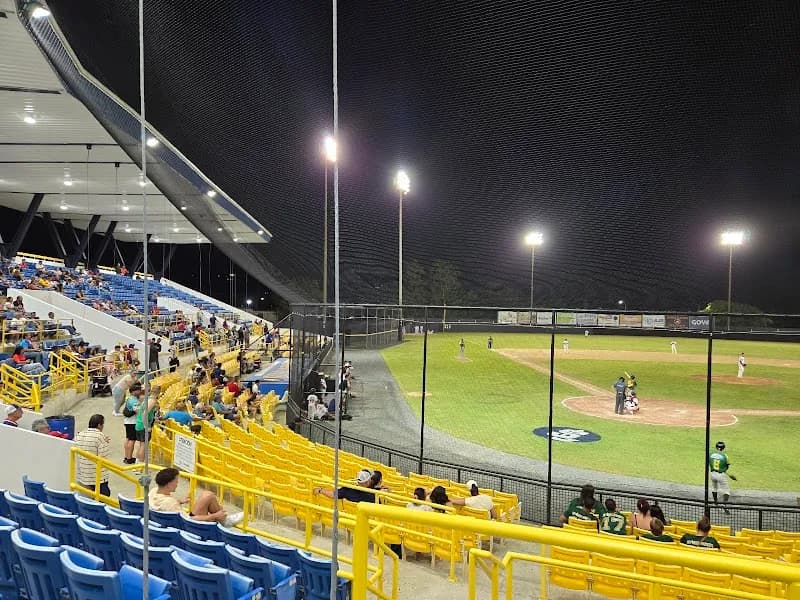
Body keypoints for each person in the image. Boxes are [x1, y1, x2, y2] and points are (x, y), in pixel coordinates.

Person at [149, 467, 243, 525]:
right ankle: (224, 520)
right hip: (189, 528)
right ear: (169, 484)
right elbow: (190, 520)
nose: (177, 484)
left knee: (207, 495)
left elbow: (164, 505)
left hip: (168, 523)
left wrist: (179, 501)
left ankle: (224, 520)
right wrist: (214, 516)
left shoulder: (153, 492)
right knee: (208, 496)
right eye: (176, 482)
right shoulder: (170, 503)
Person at [74, 414, 112, 496]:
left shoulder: (79, 434)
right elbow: (103, 458)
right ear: (99, 425)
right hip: (97, 477)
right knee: (104, 496)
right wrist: (105, 442)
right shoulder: (100, 437)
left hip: (83, 475)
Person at [314, 468, 380, 503]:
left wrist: (320, 490)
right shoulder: (374, 496)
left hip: (349, 522)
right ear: (369, 481)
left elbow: (333, 494)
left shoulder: (347, 490)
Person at [709, 441, 736, 514]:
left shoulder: (711, 454)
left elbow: (709, 463)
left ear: (716, 447)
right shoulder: (725, 456)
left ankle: (715, 503)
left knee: (714, 488)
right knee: (727, 491)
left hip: (712, 473)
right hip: (721, 475)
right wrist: (723, 469)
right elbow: (727, 466)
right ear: (723, 448)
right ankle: (725, 506)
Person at [135, 387, 160, 462]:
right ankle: (140, 466)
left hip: (139, 424)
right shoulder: (152, 401)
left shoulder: (147, 399)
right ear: (158, 393)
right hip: (143, 426)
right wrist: (147, 426)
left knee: (141, 445)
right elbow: (144, 414)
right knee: (144, 446)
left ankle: (137, 464)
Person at [122, 383, 144, 464]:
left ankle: (126, 456)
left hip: (128, 422)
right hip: (132, 422)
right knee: (132, 440)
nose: (140, 391)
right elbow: (138, 412)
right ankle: (129, 458)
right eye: (138, 390)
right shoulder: (134, 400)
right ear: (134, 391)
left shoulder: (129, 398)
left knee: (128, 439)